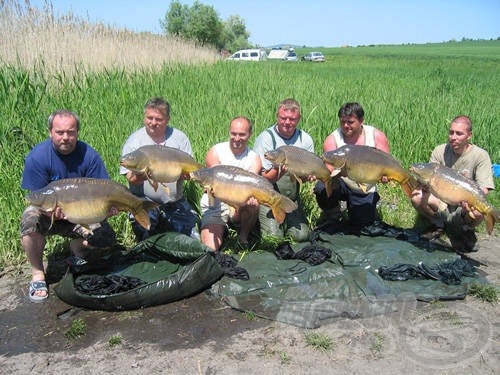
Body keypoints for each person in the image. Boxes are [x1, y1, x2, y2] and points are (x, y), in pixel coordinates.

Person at [20, 110, 116, 303]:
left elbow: (103, 193)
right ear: (50, 132)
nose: (65, 137)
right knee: (29, 222)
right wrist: (48, 211)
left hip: (82, 213)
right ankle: (38, 274)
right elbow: (35, 198)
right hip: (50, 212)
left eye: (70, 132)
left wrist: (109, 209)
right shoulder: (37, 157)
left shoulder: (89, 156)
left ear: (77, 132)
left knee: (106, 238)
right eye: (60, 132)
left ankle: (77, 250)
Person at [411, 115, 494, 252]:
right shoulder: (440, 150)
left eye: (459, 133)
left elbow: (484, 189)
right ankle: (440, 225)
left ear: (469, 135)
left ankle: (464, 230)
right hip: (442, 201)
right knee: (417, 196)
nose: (453, 137)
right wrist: (425, 185)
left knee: (479, 211)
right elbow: (430, 178)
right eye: (451, 132)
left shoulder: (480, 155)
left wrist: (469, 200)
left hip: (464, 204)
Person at [120, 97, 197, 241]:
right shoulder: (134, 141)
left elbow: (189, 170)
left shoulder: (179, 138)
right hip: (144, 202)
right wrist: (144, 175)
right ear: (144, 117)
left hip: (174, 202)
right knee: (145, 234)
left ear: (167, 119)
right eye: (149, 118)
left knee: (192, 241)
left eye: (158, 119)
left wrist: (186, 174)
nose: (153, 122)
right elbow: (130, 178)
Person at [314, 102, 390, 233]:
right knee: (322, 187)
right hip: (342, 182)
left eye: (350, 122)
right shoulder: (332, 140)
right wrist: (339, 173)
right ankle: (333, 214)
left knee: (362, 224)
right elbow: (328, 172)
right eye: (342, 122)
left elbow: (386, 163)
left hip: (364, 186)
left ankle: (363, 210)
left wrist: (385, 177)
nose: (345, 126)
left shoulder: (376, 136)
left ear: (361, 121)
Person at [253, 98, 314, 242]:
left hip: (291, 198)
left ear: (298, 119)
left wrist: (309, 177)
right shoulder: (266, 138)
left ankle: (287, 221)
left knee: (302, 236)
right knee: (273, 239)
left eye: (292, 119)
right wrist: (280, 170)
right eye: (283, 118)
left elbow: (303, 178)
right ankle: (259, 224)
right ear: (277, 116)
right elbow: (262, 178)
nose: (287, 122)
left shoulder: (305, 139)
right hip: (268, 197)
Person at [200, 116, 262, 251]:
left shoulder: (254, 158)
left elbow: (252, 185)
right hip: (215, 204)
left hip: (239, 204)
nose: (237, 138)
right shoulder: (215, 151)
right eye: (234, 134)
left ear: (250, 135)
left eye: (242, 134)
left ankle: (242, 237)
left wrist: (244, 200)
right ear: (229, 132)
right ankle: (221, 228)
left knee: (254, 204)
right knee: (210, 249)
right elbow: (215, 182)